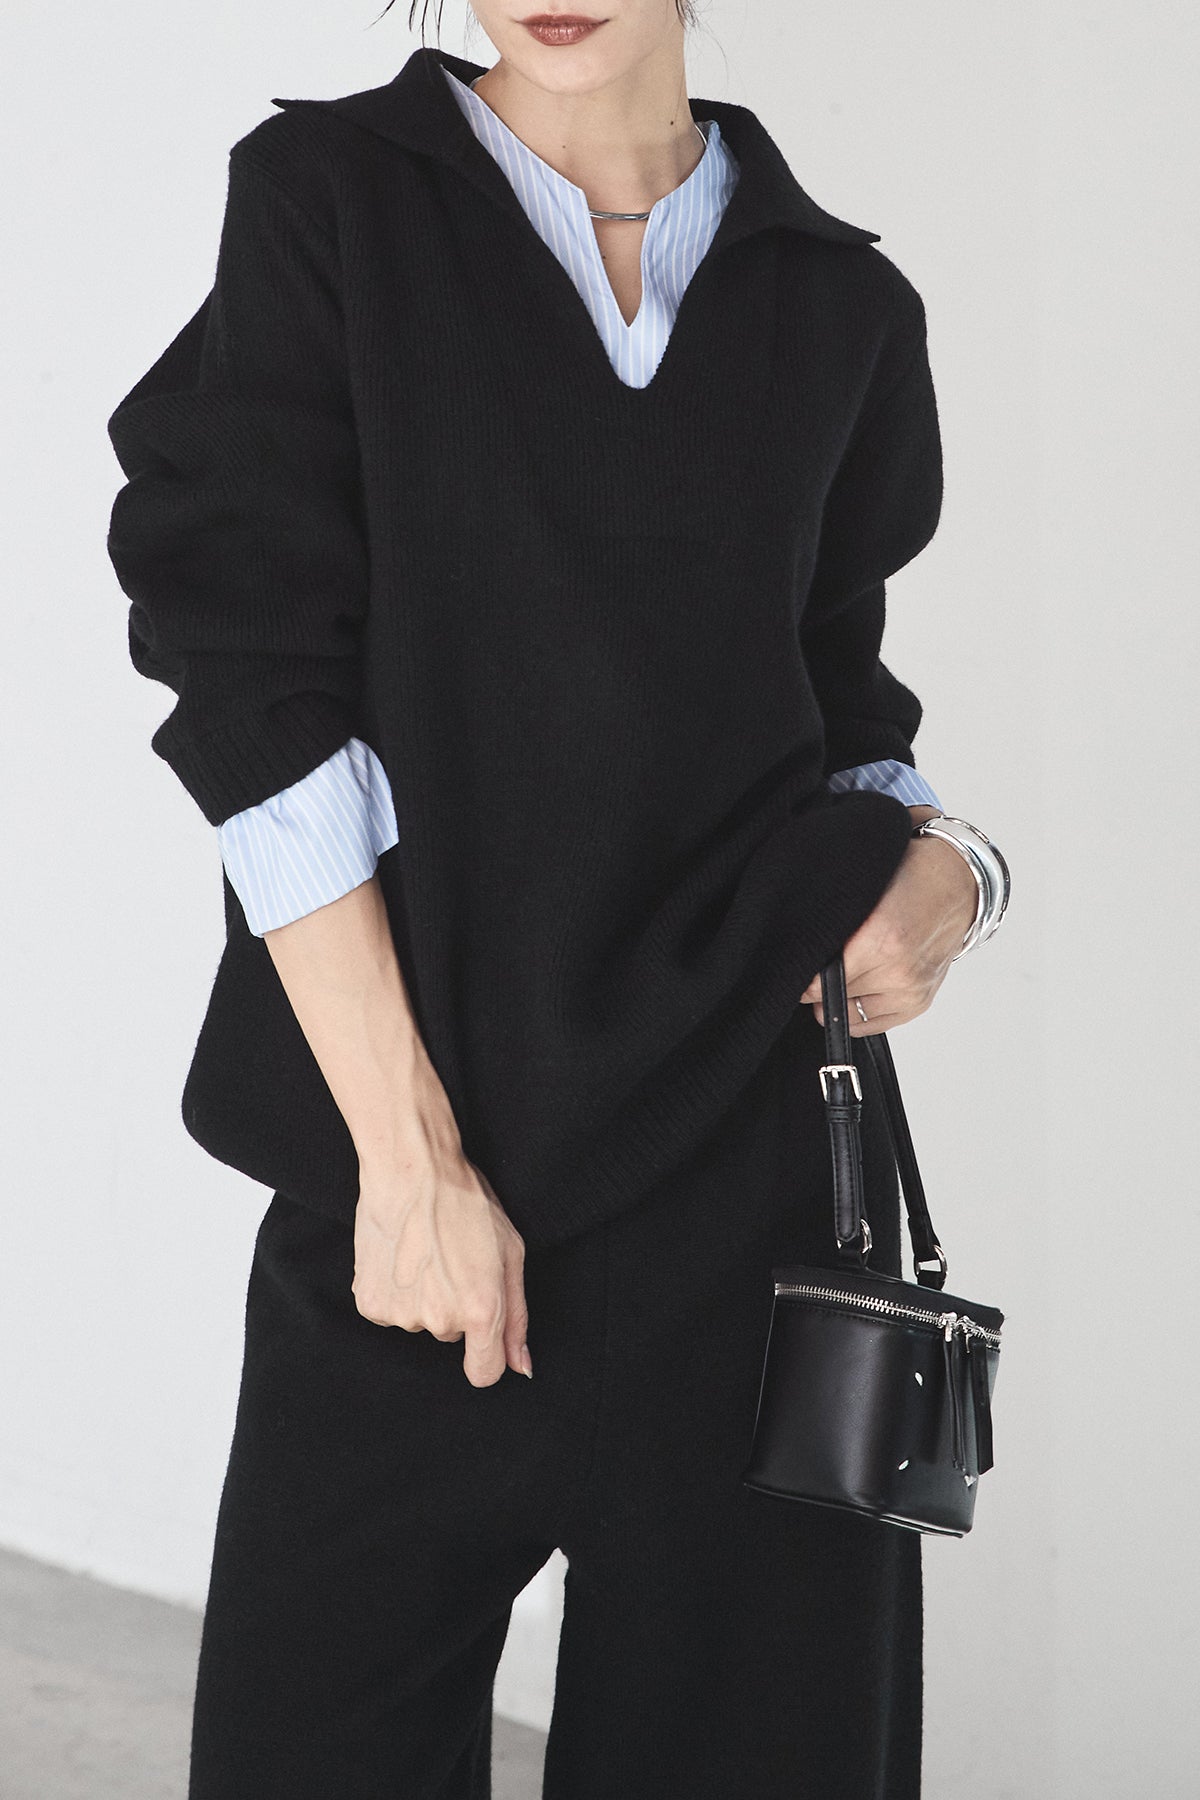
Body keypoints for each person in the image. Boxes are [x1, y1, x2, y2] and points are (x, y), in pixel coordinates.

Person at [104, 3, 1010, 1794]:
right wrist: (407, 1165)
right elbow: (256, 682)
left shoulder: (840, 303)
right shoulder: (334, 202)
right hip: (413, 1210)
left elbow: (839, 708)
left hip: (756, 1207)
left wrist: (956, 872)